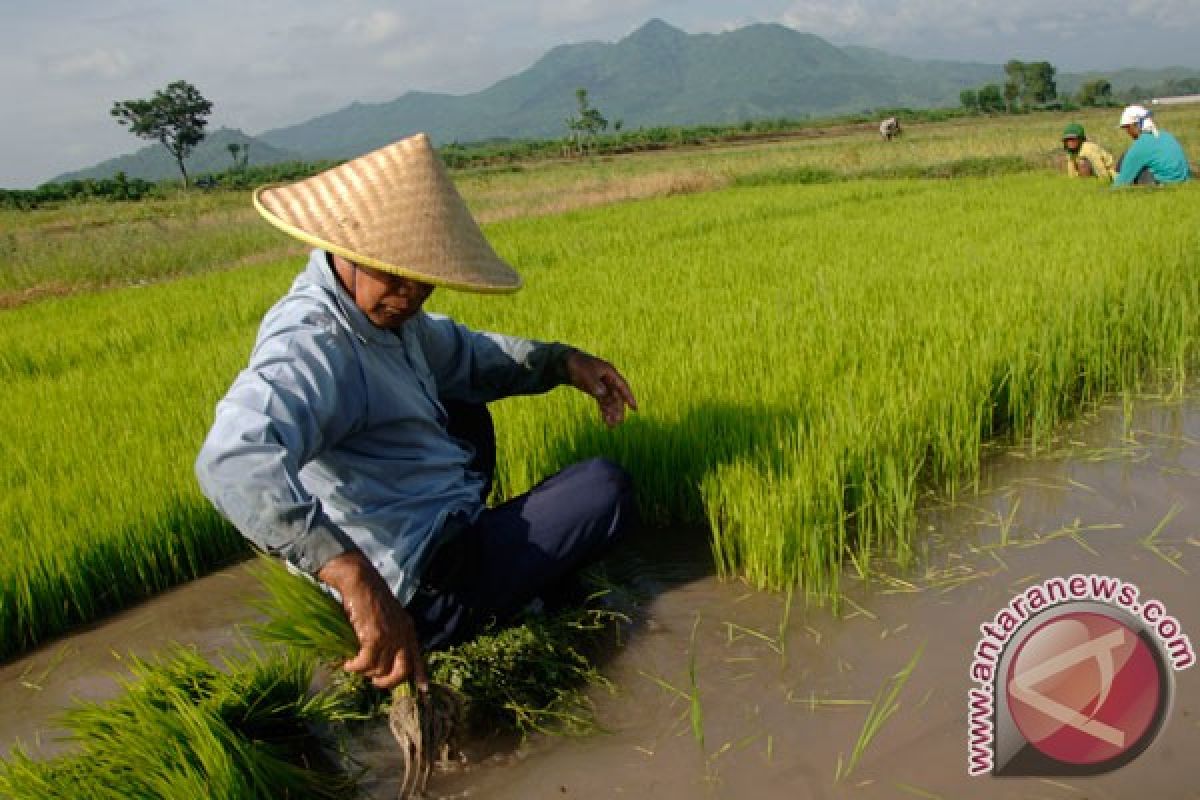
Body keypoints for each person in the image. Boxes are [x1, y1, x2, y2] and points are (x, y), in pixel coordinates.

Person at [195, 133, 639, 692]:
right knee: (606, 487)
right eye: (393, 274)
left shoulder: (387, 319)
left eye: (422, 276)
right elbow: (232, 459)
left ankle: (487, 549)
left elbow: (471, 356)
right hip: (415, 585)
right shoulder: (314, 344)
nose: (409, 294)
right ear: (346, 253)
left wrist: (562, 362)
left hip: (423, 524)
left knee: (463, 402)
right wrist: (358, 582)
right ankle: (454, 605)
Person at [1113, 105, 1191, 187]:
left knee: (1127, 159)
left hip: (1163, 185)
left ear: (1135, 125)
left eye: (1127, 127)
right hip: (1183, 182)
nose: (1127, 131)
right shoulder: (1167, 135)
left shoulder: (1140, 146)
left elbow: (1120, 184)